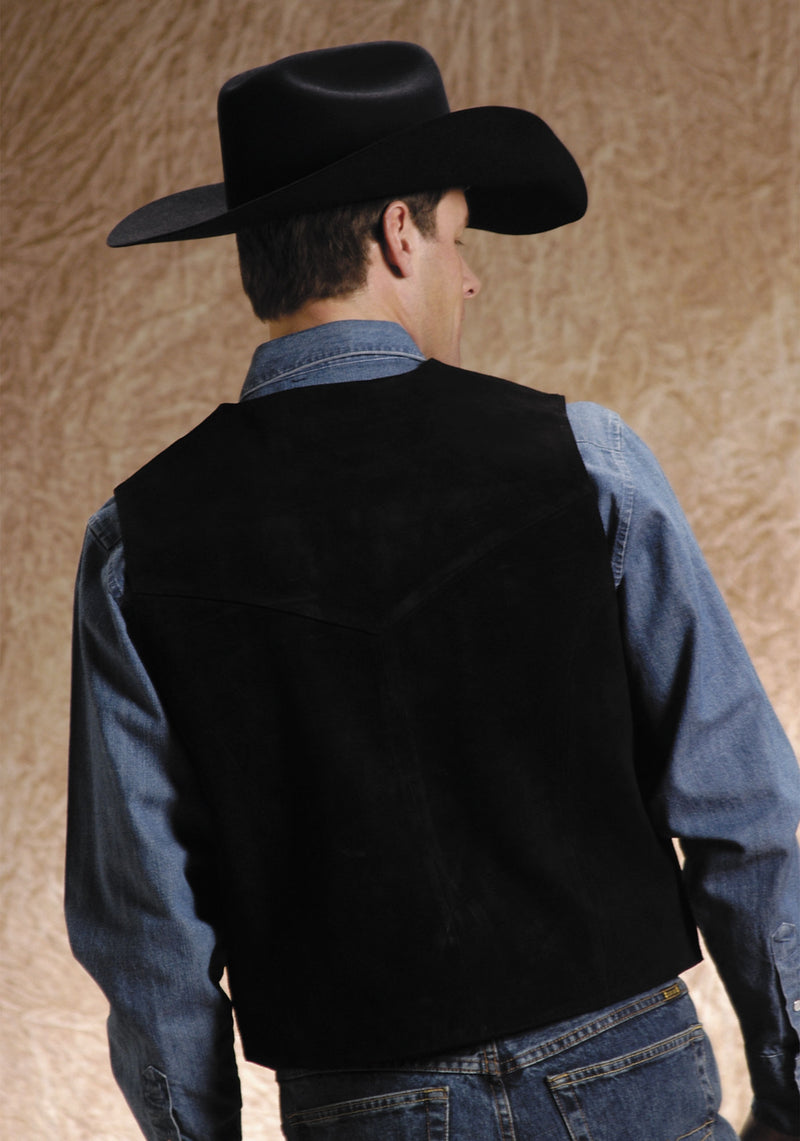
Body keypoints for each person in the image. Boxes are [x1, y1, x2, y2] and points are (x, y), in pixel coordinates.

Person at [66, 41, 799, 1141]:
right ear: (398, 233)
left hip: (364, 1105)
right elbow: (747, 814)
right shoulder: (585, 460)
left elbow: (147, 933)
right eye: (459, 238)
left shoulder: (138, 543)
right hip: (625, 1071)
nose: (470, 278)